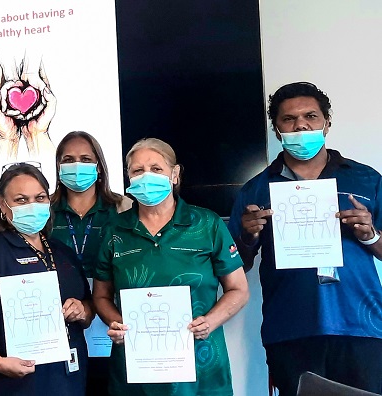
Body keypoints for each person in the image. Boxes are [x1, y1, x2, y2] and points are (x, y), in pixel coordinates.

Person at [228, 82, 382, 395]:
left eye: (311, 116)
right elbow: (234, 267)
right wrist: (248, 236)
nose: (301, 124)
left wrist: (370, 235)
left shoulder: (365, 179)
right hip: (290, 328)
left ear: (327, 123)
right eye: (289, 119)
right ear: (276, 129)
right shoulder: (255, 189)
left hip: (361, 324)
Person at [94, 138, 249, 396]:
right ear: (129, 177)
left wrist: (210, 322)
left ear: (174, 174)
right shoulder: (114, 231)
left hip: (202, 368)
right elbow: (100, 295)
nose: (146, 177)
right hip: (136, 368)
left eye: (156, 169)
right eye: (137, 171)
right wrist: (115, 322)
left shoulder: (206, 224)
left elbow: (239, 290)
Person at [0, 162, 94, 396]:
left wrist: (82, 310)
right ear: (2, 205)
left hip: (66, 378)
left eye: (39, 198)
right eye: (21, 200)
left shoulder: (61, 251)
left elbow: (88, 308)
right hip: (12, 382)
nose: (32, 206)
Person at [49, 131, 131, 395]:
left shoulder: (123, 207)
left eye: (85, 159)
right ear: (58, 168)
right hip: (61, 315)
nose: (76, 165)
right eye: (68, 159)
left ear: (98, 167)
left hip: (113, 315)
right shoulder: (44, 210)